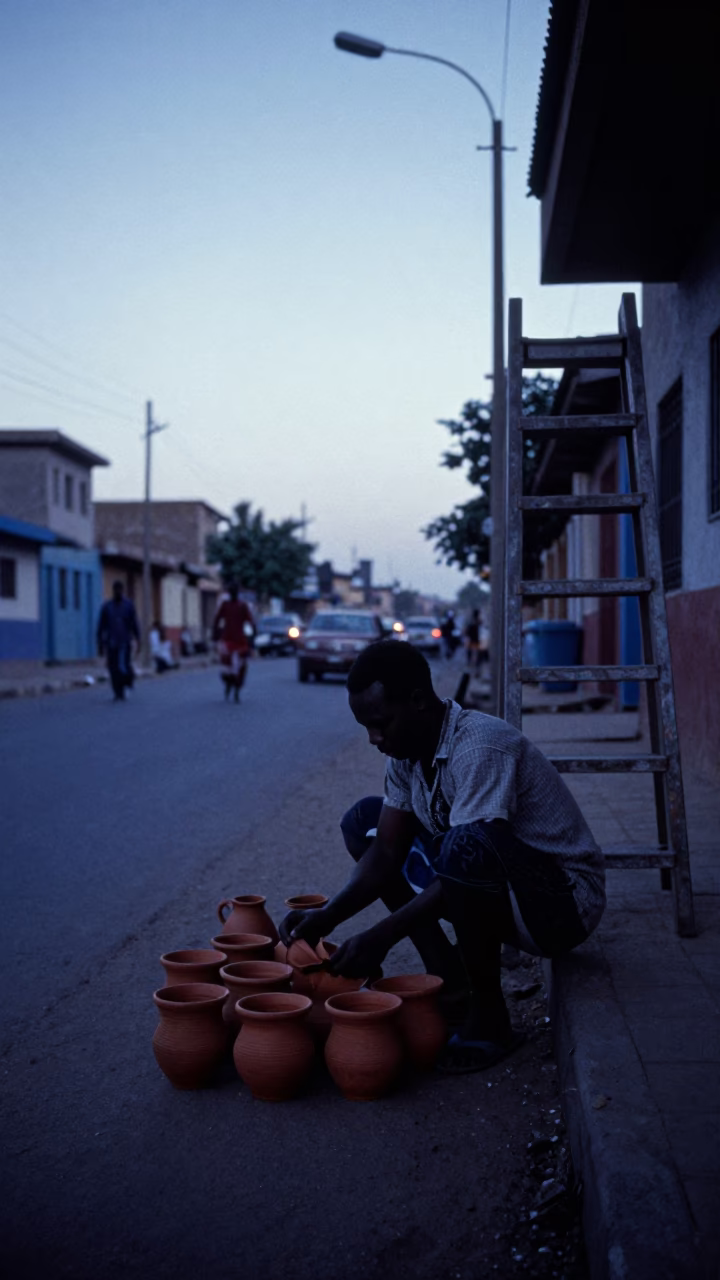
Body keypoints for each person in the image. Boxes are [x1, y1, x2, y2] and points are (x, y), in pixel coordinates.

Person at [280, 640, 605, 1074]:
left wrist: (379, 937)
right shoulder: (406, 752)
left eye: (381, 724)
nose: (374, 739)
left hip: (560, 906)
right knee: (363, 821)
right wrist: (328, 916)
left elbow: (467, 859)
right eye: (366, 728)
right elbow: (388, 851)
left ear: (417, 701)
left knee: (464, 846)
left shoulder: (480, 747)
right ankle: (451, 983)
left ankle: (491, 1021)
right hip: (500, 884)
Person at [97, 581, 141, 702]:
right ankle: (118, 692)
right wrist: (100, 644)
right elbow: (101, 626)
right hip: (111, 642)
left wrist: (138, 639)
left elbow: (134, 624)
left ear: (122, 590)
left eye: (120, 590)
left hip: (124, 642)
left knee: (123, 667)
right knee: (113, 668)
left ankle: (128, 682)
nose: (118, 592)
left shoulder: (128, 606)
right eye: (116, 590)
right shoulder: (107, 607)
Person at [211, 584, 254, 702]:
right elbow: (217, 621)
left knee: (237, 667)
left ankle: (235, 690)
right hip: (230, 641)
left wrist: (215, 636)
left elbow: (251, 623)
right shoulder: (228, 605)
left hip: (238, 642)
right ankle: (232, 688)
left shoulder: (241, 606)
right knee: (229, 667)